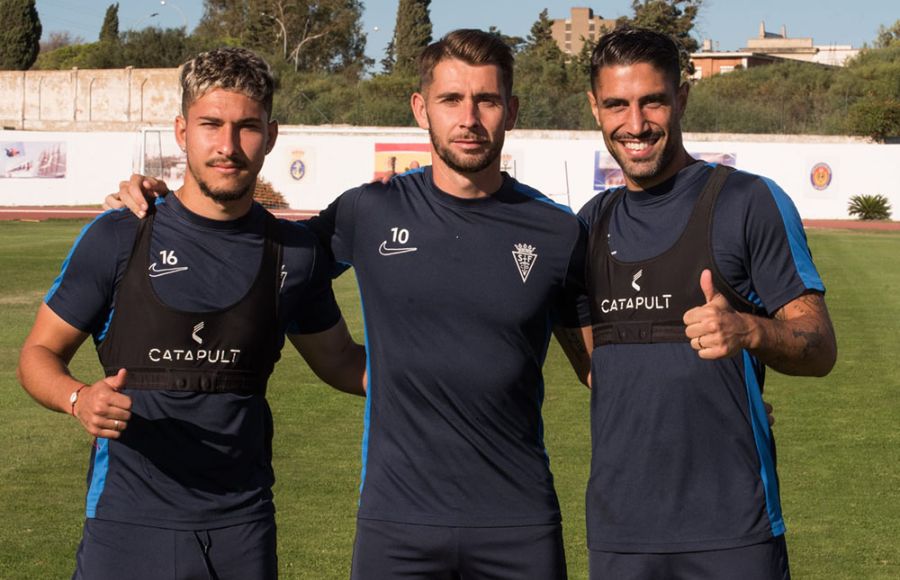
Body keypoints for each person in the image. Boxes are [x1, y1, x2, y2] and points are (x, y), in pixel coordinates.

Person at [107, 29, 591, 580]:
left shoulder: (556, 232)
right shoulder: (367, 212)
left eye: (487, 100)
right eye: (451, 99)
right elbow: (251, 246)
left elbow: (604, 367)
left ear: (512, 109)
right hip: (396, 523)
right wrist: (164, 206)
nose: (469, 117)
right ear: (420, 108)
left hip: (519, 521)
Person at [17, 47, 366, 580]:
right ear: (182, 131)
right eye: (211, 124)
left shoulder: (295, 254)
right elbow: (38, 354)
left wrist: (445, 374)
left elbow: (341, 361)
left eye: (247, 127)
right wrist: (78, 397)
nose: (228, 146)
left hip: (241, 527)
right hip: (126, 526)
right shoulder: (119, 236)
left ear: (271, 136)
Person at [578, 27, 837, 579]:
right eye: (617, 105)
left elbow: (820, 347)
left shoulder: (749, 202)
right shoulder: (587, 227)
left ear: (682, 99)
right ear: (595, 108)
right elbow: (596, 365)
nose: (637, 123)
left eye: (653, 101)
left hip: (733, 531)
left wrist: (749, 332)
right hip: (619, 537)